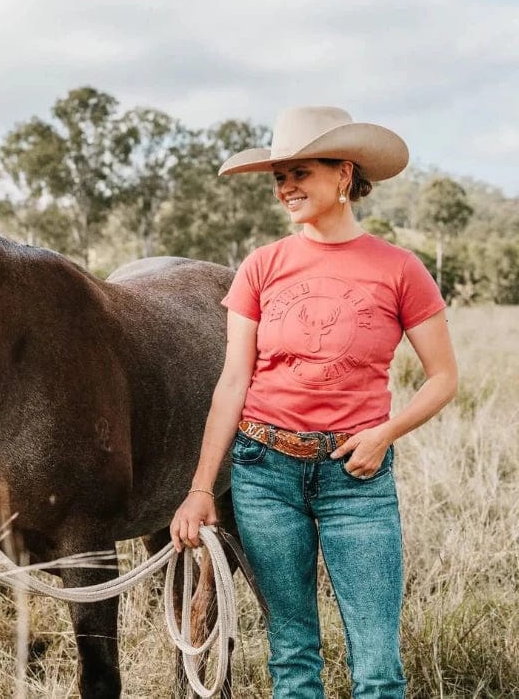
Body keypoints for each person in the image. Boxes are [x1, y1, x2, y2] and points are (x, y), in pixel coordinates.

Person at [169, 106, 458, 699]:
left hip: (358, 475)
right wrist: (201, 489)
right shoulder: (262, 266)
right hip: (263, 473)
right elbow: (232, 383)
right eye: (279, 177)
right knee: (293, 655)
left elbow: (443, 378)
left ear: (344, 174)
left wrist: (384, 433)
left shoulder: (400, 270)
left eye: (299, 172)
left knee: (377, 665)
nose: (285, 188)